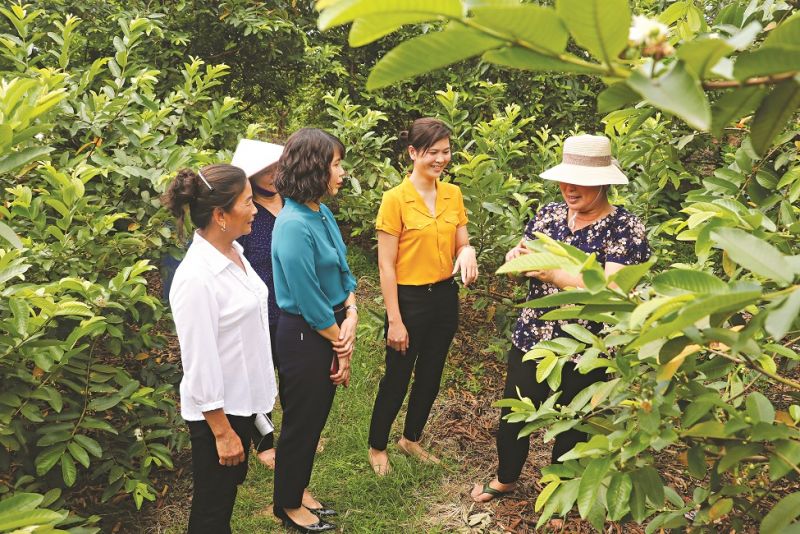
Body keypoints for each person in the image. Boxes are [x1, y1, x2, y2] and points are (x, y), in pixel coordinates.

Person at [471, 134, 651, 502]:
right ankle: (506, 478)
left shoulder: (625, 228)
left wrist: (555, 274)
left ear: (603, 182)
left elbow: (615, 289)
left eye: (579, 182)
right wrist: (515, 260)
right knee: (515, 411)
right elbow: (525, 257)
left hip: (586, 345)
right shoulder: (548, 214)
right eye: (565, 179)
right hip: (533, 336)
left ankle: (560, 490)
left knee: (575, 422)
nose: (568, 188)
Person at [164, 164, 277, 533]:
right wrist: (223, 432)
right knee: (211, 513)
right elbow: (198, 362)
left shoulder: (234, 253)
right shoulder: (196, 278)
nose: (256, 209)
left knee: (223, 500)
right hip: (219, 414)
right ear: (220, 214)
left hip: (241, 403)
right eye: (248, 202)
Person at [367, 117, 478, 476]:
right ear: (413, 152)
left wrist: (468, 252)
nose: (441, 159)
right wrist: (395, 320)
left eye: (446, 152)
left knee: (431, 374)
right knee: (397, 377)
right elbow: (386, 267)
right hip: (408, 300)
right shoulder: (395, 200)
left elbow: (461, 242)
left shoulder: (453, 194)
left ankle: (411, 438)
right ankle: (378, 445)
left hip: (444, 298)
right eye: (433, 152)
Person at [271, 128, 357, 533]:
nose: (342, 172)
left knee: (314, 421)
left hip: (330, 327)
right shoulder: (292, 224)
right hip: (307, 336)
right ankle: (287, 504)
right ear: (313, 168)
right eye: (336, 164)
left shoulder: (320, 212)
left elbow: (342, 270)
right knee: (301, 425)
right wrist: (341, 344)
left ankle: (297, 487)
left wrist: (352, 312)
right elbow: (308, 299)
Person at [232, 139, 284, 469]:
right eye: (262, 170)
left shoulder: (293, 202)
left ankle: (293, 431)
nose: (271, 175)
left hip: (295, 304)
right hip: (261, 308)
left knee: (291, 371)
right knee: (258, 373)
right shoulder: (248, 215)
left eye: (276, 166)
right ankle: (264, 442)